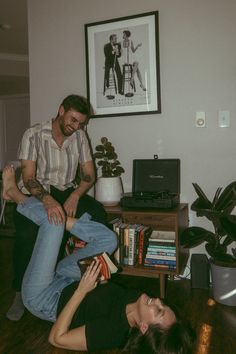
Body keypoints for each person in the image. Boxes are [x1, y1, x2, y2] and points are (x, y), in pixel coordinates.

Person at [3, 166, 196, 353]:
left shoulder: (112, 333)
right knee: (109, 239)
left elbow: (57, 339)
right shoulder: (140, 301)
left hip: (44, 296)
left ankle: (13, 194)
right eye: (164, 305)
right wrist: (102, 276)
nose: (158, 301)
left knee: (53, 223)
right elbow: (103, 300)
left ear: (144, 328)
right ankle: (62, 220)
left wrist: (81, 291)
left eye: (159, 311)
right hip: (70, 278)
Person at [6, 94, 108, 321]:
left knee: (98, 216)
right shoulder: (33, 134)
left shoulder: (80, 136)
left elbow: (89, 176)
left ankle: (76, 275)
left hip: (67, 190)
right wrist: (49, 201)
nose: (76, 126)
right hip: (36, 191)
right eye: (73, 119)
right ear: (61, 111)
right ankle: (19, 292)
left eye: (81, 123)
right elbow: (30, 178)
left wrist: (75, 195)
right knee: (27, 233)